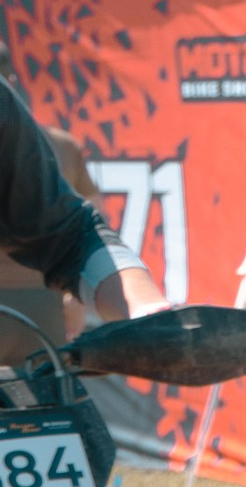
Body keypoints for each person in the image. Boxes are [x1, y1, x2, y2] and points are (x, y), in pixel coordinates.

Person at [0, 77, 165, 341]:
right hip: (40, 301)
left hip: (37, 299)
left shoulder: (12, 121)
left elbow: (72, 235)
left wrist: (151, 311)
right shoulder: (60, 143)